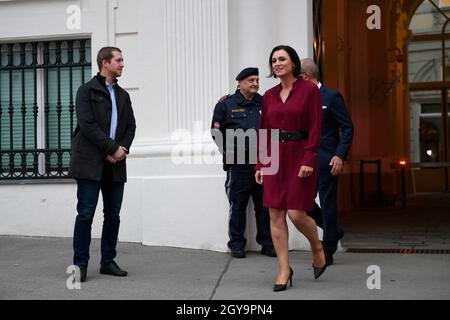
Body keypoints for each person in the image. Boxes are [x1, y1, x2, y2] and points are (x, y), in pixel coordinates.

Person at [255, 45, 326, 292]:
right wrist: (261, 164)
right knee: (275, 214)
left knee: (296, 213)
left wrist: (309, 158)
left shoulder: (309, 91)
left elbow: (316, 128)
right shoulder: (269, 95)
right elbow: (263, 131)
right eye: (273, 60)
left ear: (293, 63)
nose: (277, 63)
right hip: (274, 157)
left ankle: (317, 247)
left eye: (282, 58)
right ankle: (284, 268)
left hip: (300, 155)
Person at [69, 47, 136, 282]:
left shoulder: (123, 95)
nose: (122, 64)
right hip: (89, 163)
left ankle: (108, 261)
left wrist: (122, 150)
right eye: (118, 60)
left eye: (122, 60)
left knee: (113, 216)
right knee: (86, 214)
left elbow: (131, 127)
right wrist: (112, 148)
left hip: (115, 163)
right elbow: (87, 126)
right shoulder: (86, 91)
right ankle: (80, 265)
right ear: (104, 62)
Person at [211, 67, 276, 259]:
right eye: (251, 80)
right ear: (239, 83)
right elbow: (216, 132)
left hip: (263, 162)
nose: (255, 83)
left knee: (264, 205)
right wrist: (230, 153)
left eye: (257, 80)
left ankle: (267, 243)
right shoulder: (226, 104)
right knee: (238, 204)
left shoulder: (265, 102)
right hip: (239, 164)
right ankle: (237, 243)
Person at [301, 58, 354, 266]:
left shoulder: (331, 97)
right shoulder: (301, 98)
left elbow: (348, 127)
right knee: (303, 204)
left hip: (327, 161)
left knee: (328, 205)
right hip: (305, 162)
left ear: (305, 76)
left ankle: (328, 248)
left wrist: (340, 155)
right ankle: (335, 230)